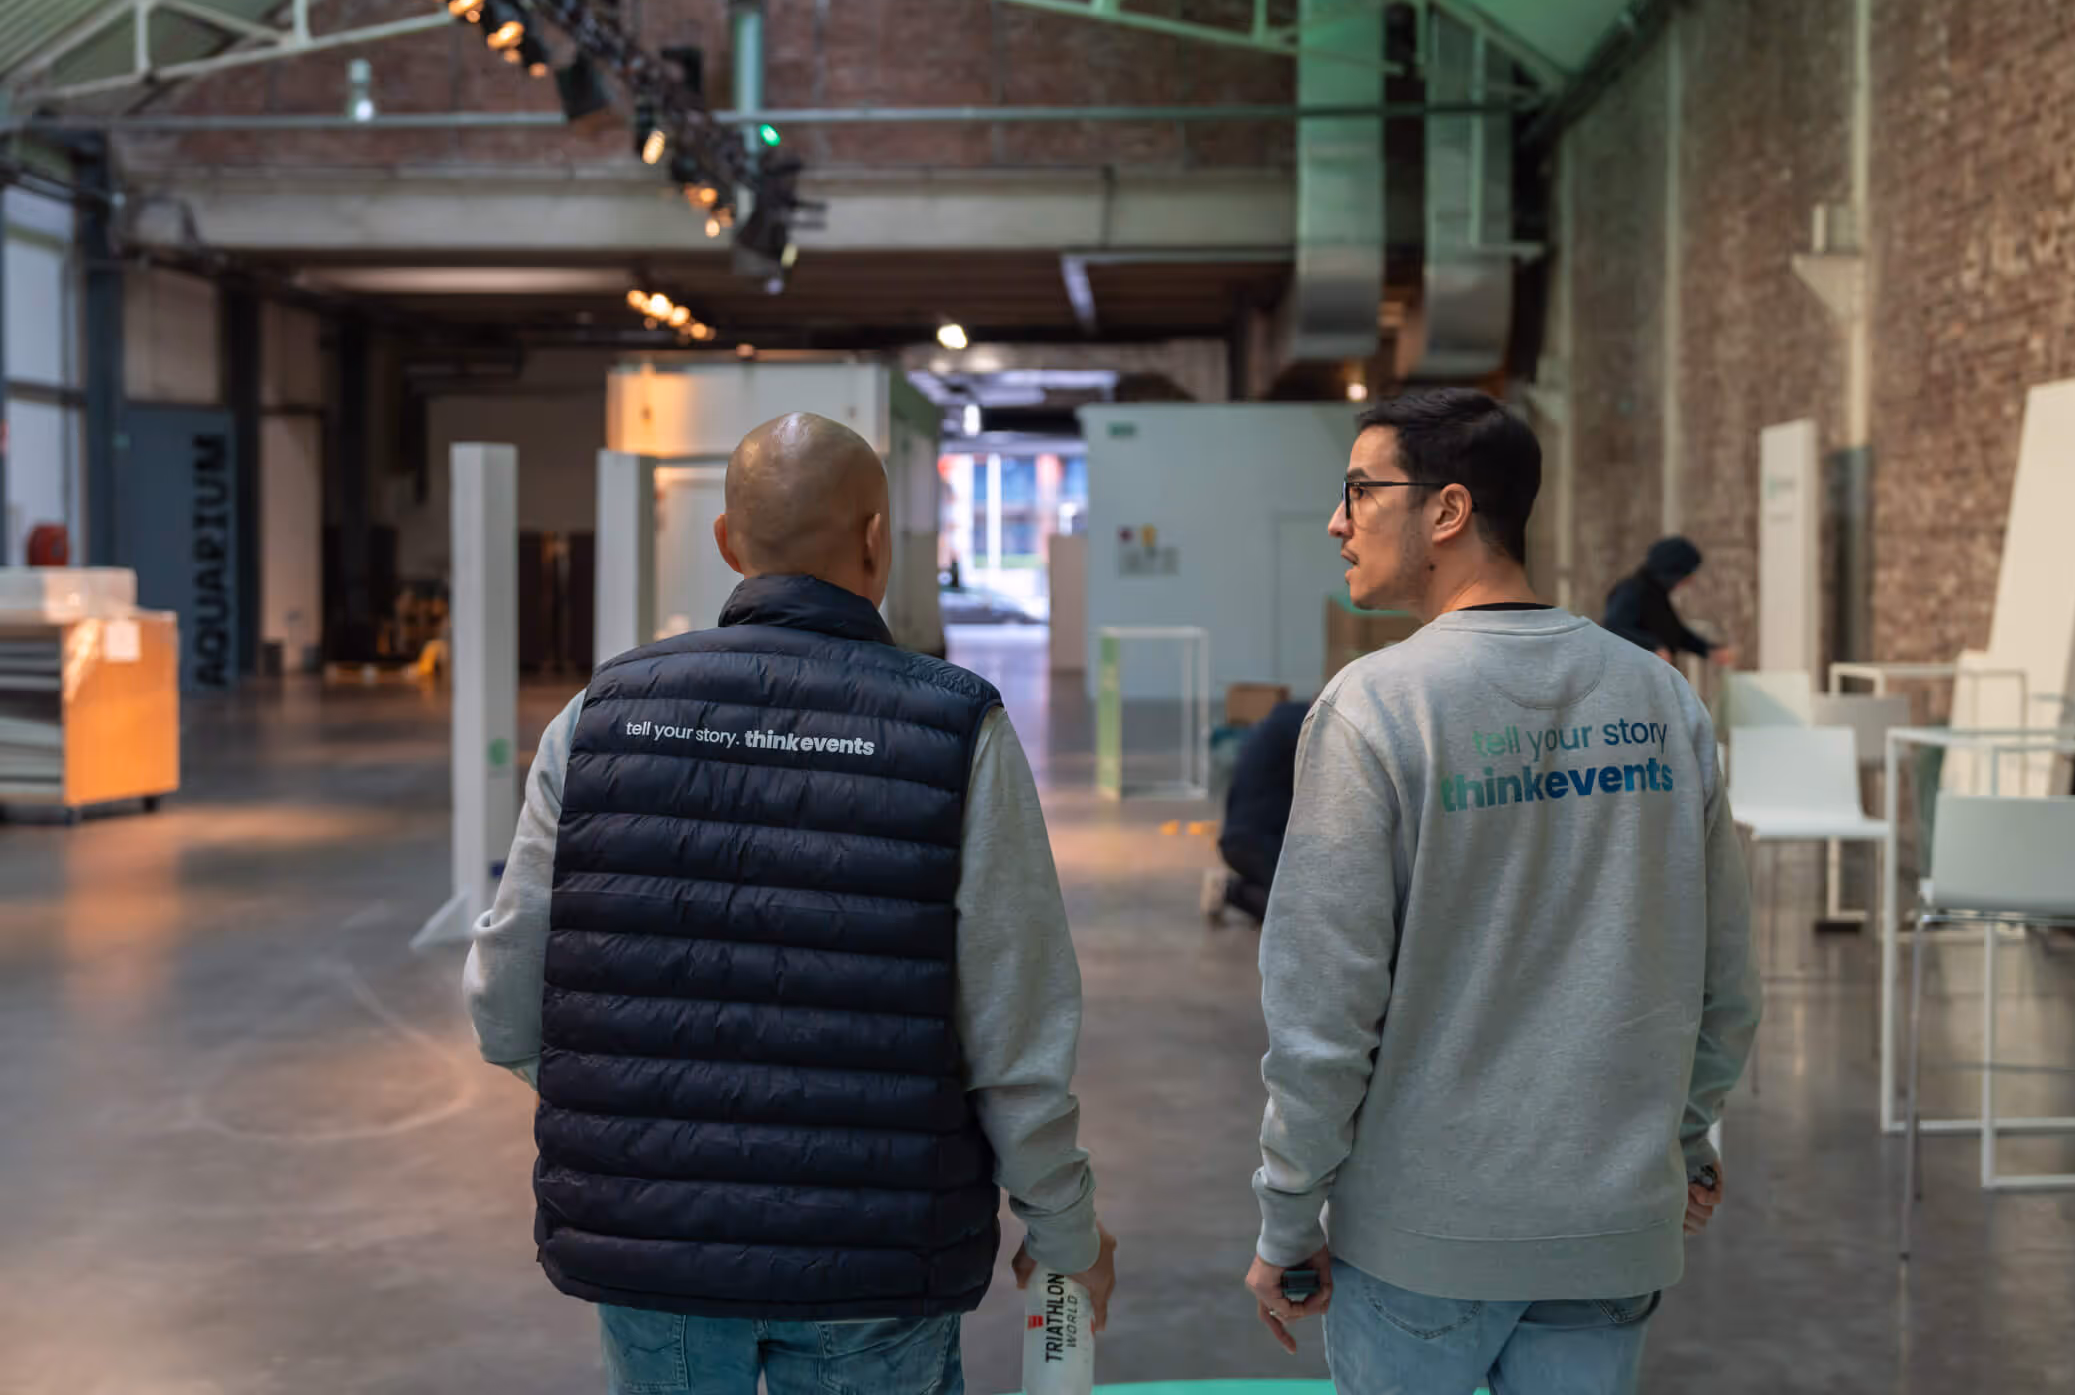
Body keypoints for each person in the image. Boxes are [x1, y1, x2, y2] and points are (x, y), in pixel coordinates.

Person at [464, 412, 1116, 1395]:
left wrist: (643, 1114)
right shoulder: (953, 727)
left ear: (728, 543)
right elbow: (1014, 1032)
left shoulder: (598, 716)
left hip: (655, 1247)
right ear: (874, 540)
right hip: (874, 1253)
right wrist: (1064, 1230)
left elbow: (506, 999)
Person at [1244, 389, 1759, 1395]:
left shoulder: (1375, 708)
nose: (1339, 522)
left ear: (1447, 510)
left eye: (1360, 490)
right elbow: (1725, 978)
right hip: (1610, 1234)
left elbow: (1321, 1009)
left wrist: (1288, 1215)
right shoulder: (1661, 700)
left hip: (1424, 1244)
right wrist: (1682, 1146)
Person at [1204, 698, 1311, 925]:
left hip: (1239, 840)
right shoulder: (1296, 728)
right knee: (1295, 914)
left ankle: (1233, 889)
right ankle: (1229, 891)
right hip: (1253, 843)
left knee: (1293, 903)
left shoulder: (1273, 726)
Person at [1602, 536, 1735, 665]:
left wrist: (1708, 650)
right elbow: (1614, 628)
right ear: (1671, 572)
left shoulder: (1656, 594)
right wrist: (1653, 647)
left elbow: (1675, 632)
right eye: (1686, 575)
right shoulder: (1631, 591)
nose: (1688, 581)